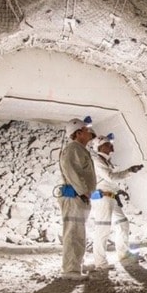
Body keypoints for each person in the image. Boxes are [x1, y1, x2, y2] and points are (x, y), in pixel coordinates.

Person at [89, 134, 143, 269]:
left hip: (110, 197)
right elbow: (110, 177)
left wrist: (118, 191)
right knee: (103, 229)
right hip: (102, 198)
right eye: (108, 144)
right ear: (99, 147)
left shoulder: (106, 161)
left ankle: (123, 253)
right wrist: (129, 171)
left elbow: (109, 181)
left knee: (123, 223)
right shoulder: (96, 161)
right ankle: (100, 263)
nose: (111, 146)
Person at [58, 117, 97, 280]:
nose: (91, 133)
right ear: (78, 133)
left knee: (78, 232)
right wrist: (84, 192)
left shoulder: (79, 149)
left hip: (80, 197)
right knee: (73, 232)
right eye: (87, 130)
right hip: (75, 196)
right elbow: (72, 172)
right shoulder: (73, 148)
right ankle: (70, 270)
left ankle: (76, 264)